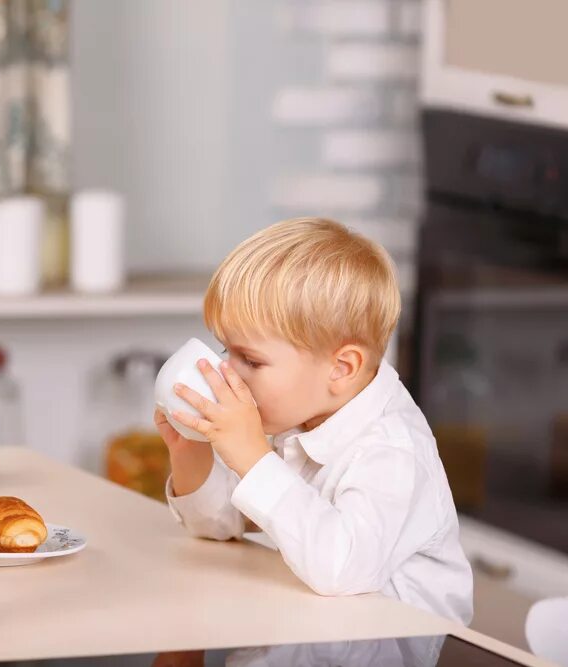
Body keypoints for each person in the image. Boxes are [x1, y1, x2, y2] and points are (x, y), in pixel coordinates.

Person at [157, 217, 473, 624]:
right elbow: (220, 526)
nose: (227, 373)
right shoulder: (294, 414)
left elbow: (340, 569)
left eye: (251, 360)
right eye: (225, 350)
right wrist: (192, 457)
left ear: (341, 369)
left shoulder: (391, 452)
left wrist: (253, 458)